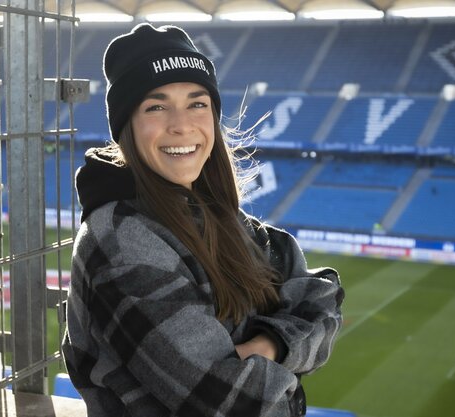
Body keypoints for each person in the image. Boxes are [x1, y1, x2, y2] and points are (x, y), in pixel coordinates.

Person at [61, 23, 344, 417]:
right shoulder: (121, 240)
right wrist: (290, 367)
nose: (181, 124)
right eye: (156, 106)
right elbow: (227, 400)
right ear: (127, 126)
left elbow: (322, 298)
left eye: (197, 103)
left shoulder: (215, 214)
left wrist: (269, 345)